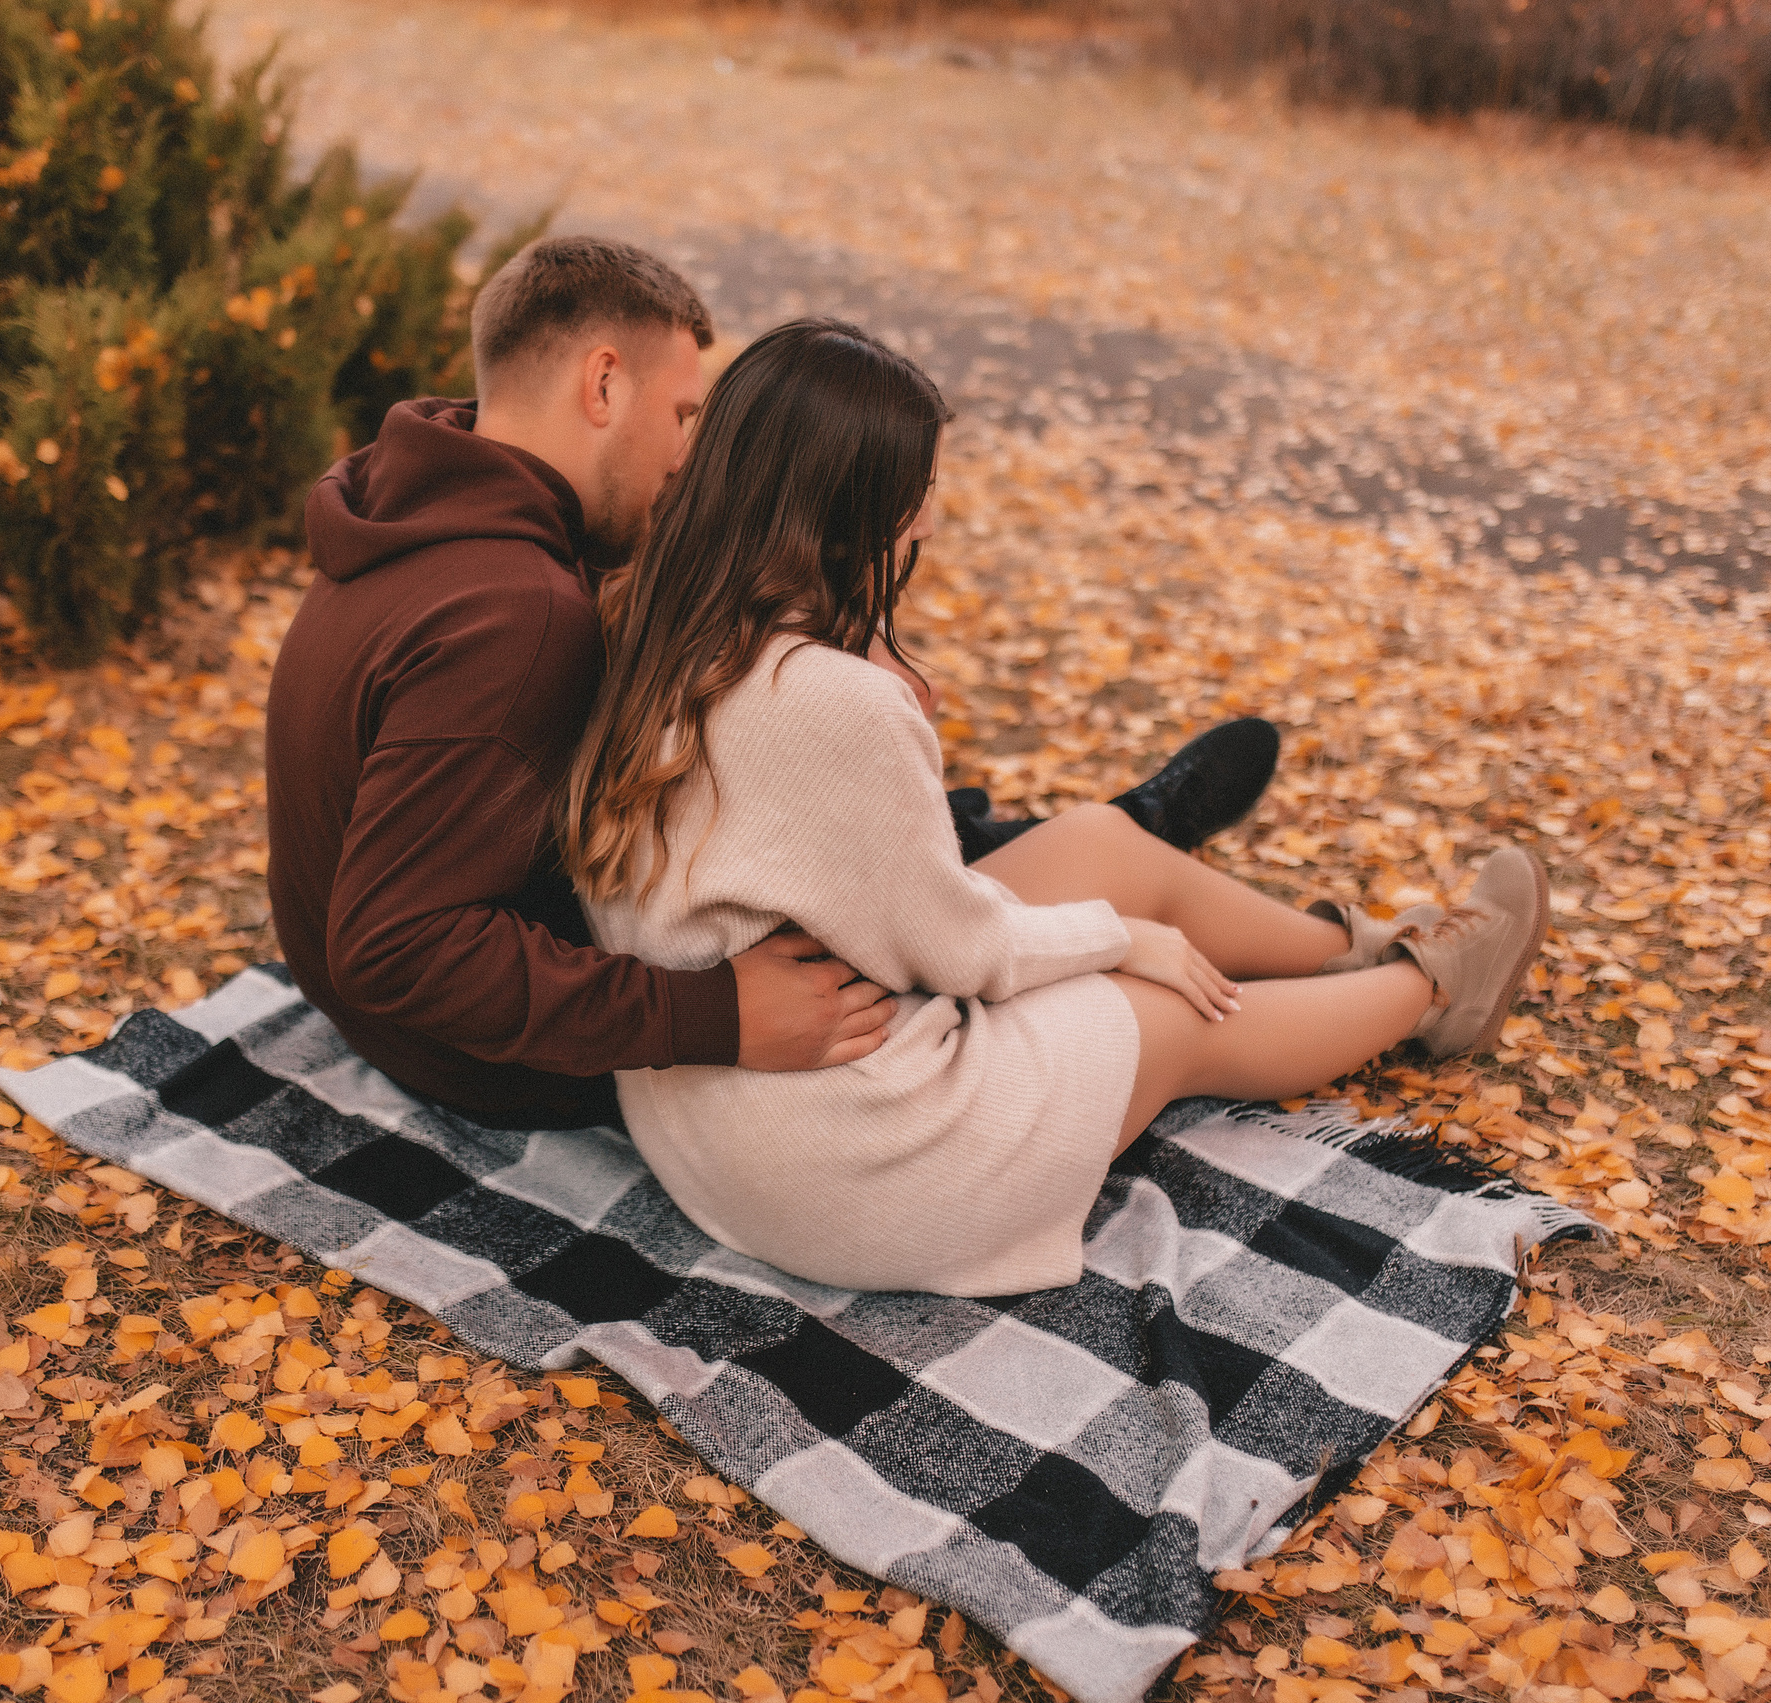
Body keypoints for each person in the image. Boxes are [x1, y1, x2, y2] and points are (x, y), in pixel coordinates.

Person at [564, 318, 1551, 1297]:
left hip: (713, 1122)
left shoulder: (647, 615)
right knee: (1171, 1011)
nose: (931, 523)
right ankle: (1432, 982)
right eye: (922, 493)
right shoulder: (829, 700)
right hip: (854, 1164)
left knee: (1094, 839)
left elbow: (872, 886)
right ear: (857, 510)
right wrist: (1118, 940)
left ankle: (1356, 945)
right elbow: (954, 951)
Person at [265, 236, 1280, 1133]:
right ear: (603, 386)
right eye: (680, 414)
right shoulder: (515, 614)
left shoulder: (426, 511)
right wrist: (718, 1016)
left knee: (790, 758)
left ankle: (1031, 830)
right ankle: (1112, 833)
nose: (687, 455)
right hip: (500, 1059)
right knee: (826, 833)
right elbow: (398, 951)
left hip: (407, 992)